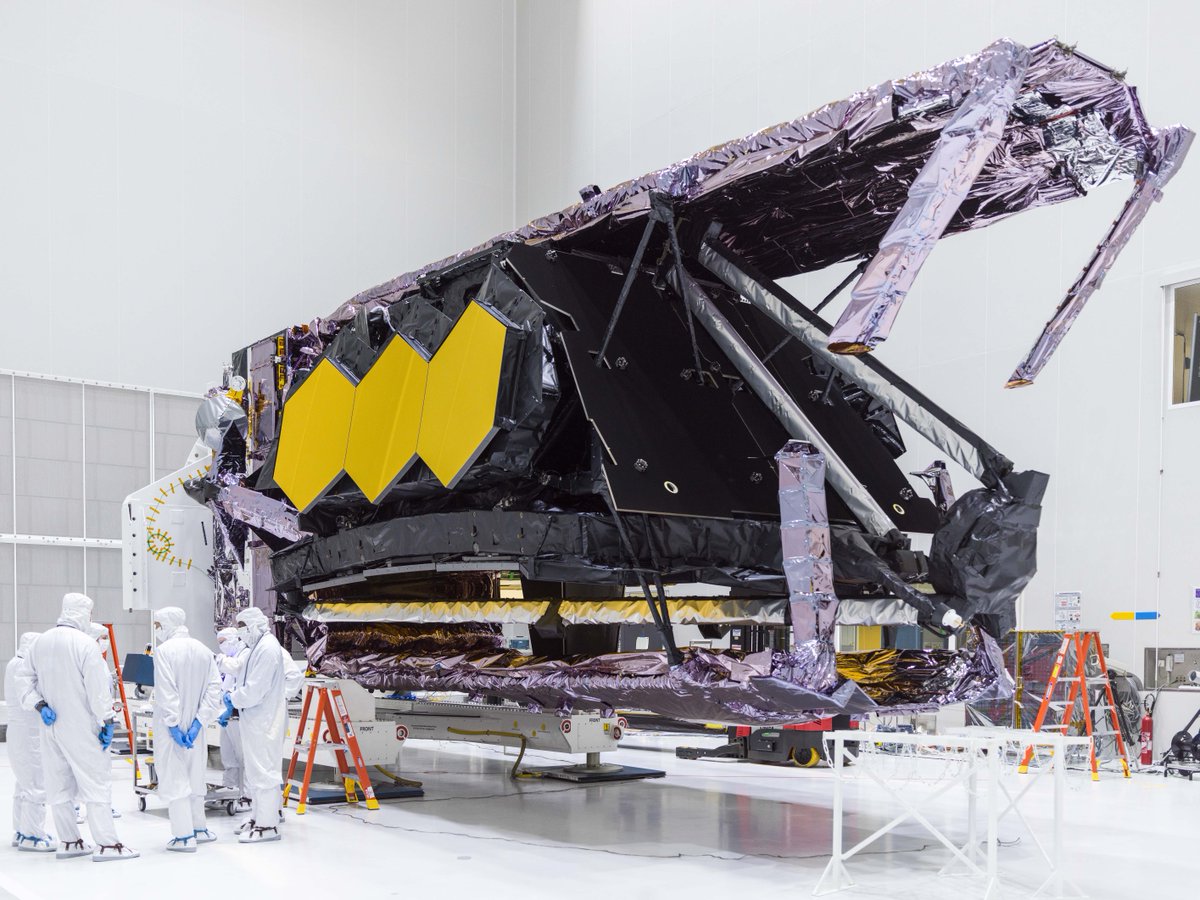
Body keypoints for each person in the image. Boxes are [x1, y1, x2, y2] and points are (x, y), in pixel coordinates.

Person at [15, 593, 139, 861]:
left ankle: (70, 842)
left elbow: (23, 681)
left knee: (58, 785)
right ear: (83, 614)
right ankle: (108, 845)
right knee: (96, 782)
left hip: (51, 725)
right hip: (82, 725)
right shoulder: (85, 644)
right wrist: (106, 720)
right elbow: (97, 690)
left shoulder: (41, 642)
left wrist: (39, 706)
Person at [151, 607, 224, 852]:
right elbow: (215, 689)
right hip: (195, 727)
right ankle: (199, 828)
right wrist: (198, 723)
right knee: (195, 776)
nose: (157, 630)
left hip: (172, 727)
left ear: (168, 623)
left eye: (158, 624)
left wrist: (173, 725)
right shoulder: (204, 650)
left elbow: (166, 691)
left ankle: (183, 836)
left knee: (175, 778)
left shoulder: (164, 651)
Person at [227, 607, 287, 843]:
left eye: (242, 627)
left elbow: (255, 690)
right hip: (255, 719)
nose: (240, 632)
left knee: (264, 773)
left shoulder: (268, 648)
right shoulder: (258, 646)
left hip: (264, 721)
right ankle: (257, 817)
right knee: (255, 772)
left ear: (253, 625)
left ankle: (268, 825)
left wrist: (232, 698)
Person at [4, 633, 55, 852]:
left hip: (18, 732)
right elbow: (32, 697)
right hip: (29, 734)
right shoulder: (24, 667)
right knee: (36, 783)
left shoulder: (13, 663)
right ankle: (32, 835)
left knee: (23, 783)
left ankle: (21, 830)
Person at [215, 627, 247, 803]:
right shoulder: (232, 659)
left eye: (224, 642)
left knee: (242, 757)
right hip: (227, 714)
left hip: (238, 714)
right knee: (228, 756)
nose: (222, 647)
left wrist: (231, 707)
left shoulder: (244, 656)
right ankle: (229, 791)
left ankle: (245, 795)